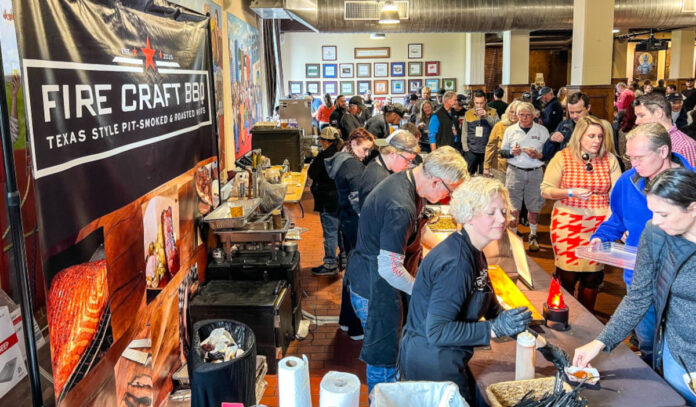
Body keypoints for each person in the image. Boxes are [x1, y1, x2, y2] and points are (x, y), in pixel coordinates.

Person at [399, 176, 533, 404]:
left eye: (504, 210)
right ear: (468, 215)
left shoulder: (475, 250)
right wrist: (494, 329)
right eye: (491, 213)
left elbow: (489, 304)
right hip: (434, 365)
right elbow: (438, 332)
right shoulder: (456, 263)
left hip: (448, 357)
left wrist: (534, 339)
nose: (502, 219)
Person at [348, 146, 468, 392]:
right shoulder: (400, 205)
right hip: (376, 289)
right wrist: (425, 293)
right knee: (385, 358)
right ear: (436, 181)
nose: (448, 197)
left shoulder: (411, 182)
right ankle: (382, 398)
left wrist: (452, 250)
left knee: (394, 352)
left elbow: (419, 231)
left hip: (382, 284)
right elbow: (390, 269)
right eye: (449, 191)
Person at [574, 167, 696, 406]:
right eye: (653, 212)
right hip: (678, 352)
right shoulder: (655, 233)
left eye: (664, 214)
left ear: (693, 208)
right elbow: (639, 296)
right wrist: (600, 341)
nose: (655, 222)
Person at [590, 122, 696, 365]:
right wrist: (602, 236)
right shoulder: (627, 183)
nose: (633, 163)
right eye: (630, 157)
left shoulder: (690, 184)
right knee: (649, 342)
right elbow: (617, 219)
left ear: (662, 152)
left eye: (639, 157)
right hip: (639, 276)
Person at [540, 116, 621, 312]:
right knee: (566, 274)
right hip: (568, 223)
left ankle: (587, 317)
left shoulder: (609, 159)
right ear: (579, 136)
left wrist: (610, 224)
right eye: (591, 136)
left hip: (598, 226)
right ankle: (561, 315)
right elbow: (546, 190)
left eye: (600, 136)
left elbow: (616, 195)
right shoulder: (563, 157)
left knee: (593, 276)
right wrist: (570, 191)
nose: (597, 141)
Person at [325, 128, 375, 340]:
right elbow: (359, 203)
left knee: (351, 272)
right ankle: (356, 326)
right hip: (355, 225)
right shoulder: (353, 167)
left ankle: (346, 320)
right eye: (364, 149)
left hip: (346, 223)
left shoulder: (341, 160)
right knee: (359, 276)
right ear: (353, 143)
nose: (366, 154)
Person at [500, 102, 550, 252]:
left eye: (528, 115)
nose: (524, 118)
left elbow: (548, 153)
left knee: (534, 207)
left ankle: (533, 235)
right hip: (515, 171)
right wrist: (512, 153)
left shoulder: (542, 131)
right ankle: (513, 238)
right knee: (513, 208)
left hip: (535, 171)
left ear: (534, 115)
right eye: (521, 115)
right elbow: (502, 152)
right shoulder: (510, 130)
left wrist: (538, 155)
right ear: (516, 115)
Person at [308, 127, 344, 275]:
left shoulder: (323, 156)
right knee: (341, 230)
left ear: (325, 141)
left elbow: (312, 174)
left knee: (330, 232)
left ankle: (330, 264)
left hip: (327, 199)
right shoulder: (342, 154)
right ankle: (344, 258)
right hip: (341, 197)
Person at [358, 129, 419, 208]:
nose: (409, 165)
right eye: (408, 160)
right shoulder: (377, 179)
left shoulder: (380, 163)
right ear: (393, 154)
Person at [634, 93, 696, 166]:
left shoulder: (684, 146)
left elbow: (691, 176)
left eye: (641, 115)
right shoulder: (645, 140)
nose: (636, 121)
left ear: (658, 113)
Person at [543, 92, 592, 162]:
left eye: (579, 112)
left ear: (588, 108)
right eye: (571, 112)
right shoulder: (563, 126)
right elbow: (546, 154)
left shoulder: (598, 126)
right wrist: (551, 140)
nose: (575, 116)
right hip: (566, 167)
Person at [463, 90, 500, 175]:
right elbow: (464, 131)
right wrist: (465, 147)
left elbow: (498, 127)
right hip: (471, 149)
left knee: (485, 176)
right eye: (477, 103)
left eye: (481, 103)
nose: (479, 105)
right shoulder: (468, 113)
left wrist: (487, 116)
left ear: (486, 101)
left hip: (487, 149)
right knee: (468, 175)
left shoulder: (493, 112)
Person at [484, 100, 520, 179]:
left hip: (518, 169)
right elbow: (490, 147)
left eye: (517, 112)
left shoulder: (525, 128)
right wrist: (486, 167)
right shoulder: (499, 126)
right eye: (512, 112)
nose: (514, 115)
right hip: (499, 167)